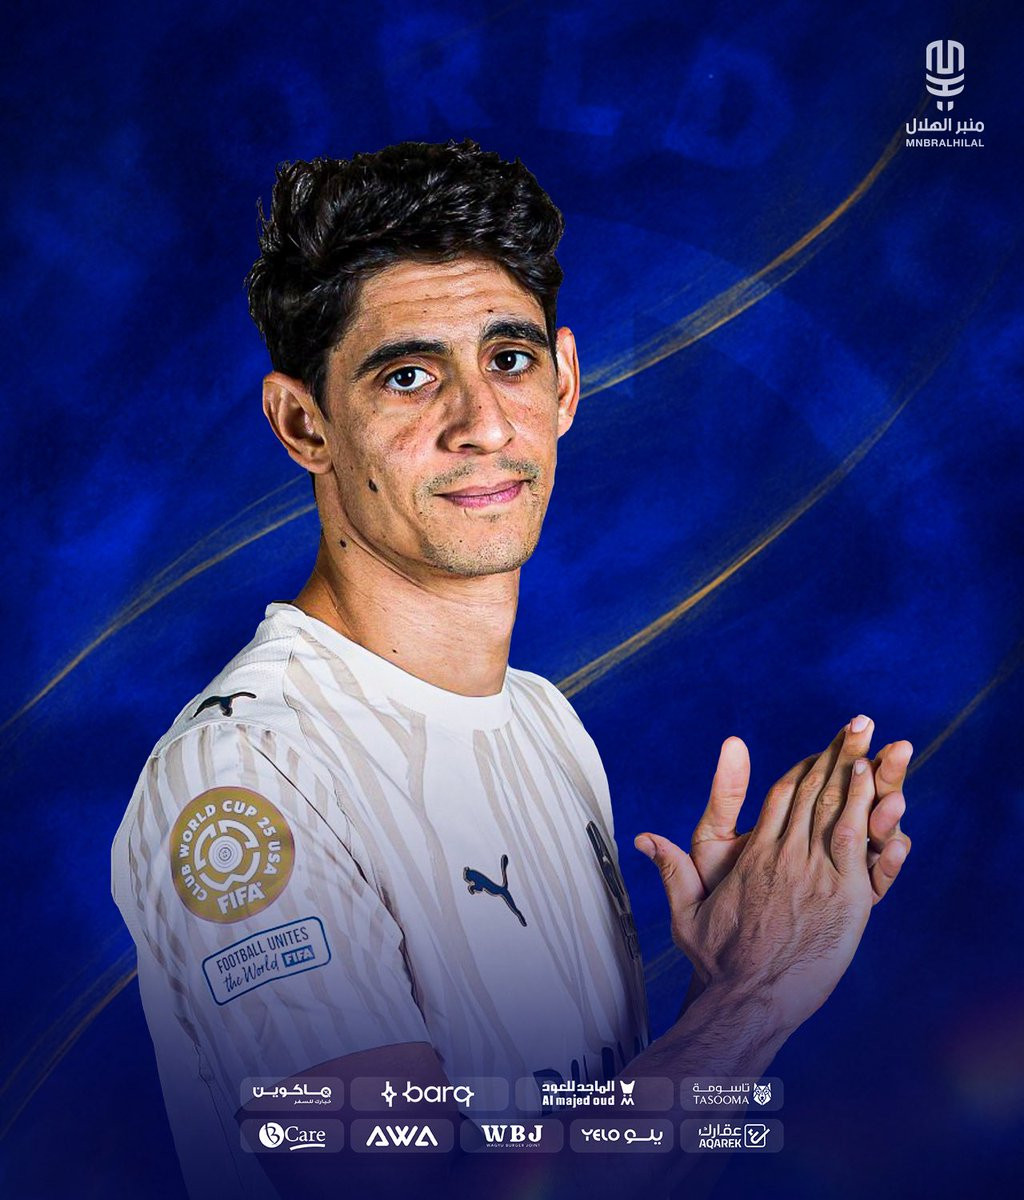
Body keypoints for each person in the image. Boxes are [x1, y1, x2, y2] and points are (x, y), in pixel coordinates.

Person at [111, 140, 912, 1200]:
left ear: (566, 381)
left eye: (510, 359)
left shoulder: (543, 724)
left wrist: (717, 990)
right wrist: (754, 1002)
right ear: (304, 424)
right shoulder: (245, 780)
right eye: (407, 376)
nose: (482, 424)